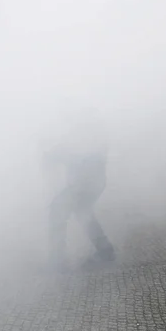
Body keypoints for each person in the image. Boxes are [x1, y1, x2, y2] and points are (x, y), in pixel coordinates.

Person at [42, 116, 116, 271]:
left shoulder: (85, 135)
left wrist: (52, 154)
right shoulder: (90, 133)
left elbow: (73, 153)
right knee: (83, 213)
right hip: (90, 183)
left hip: (84, 184)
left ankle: (57, 260)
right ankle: (105, 251)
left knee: (58, 211)